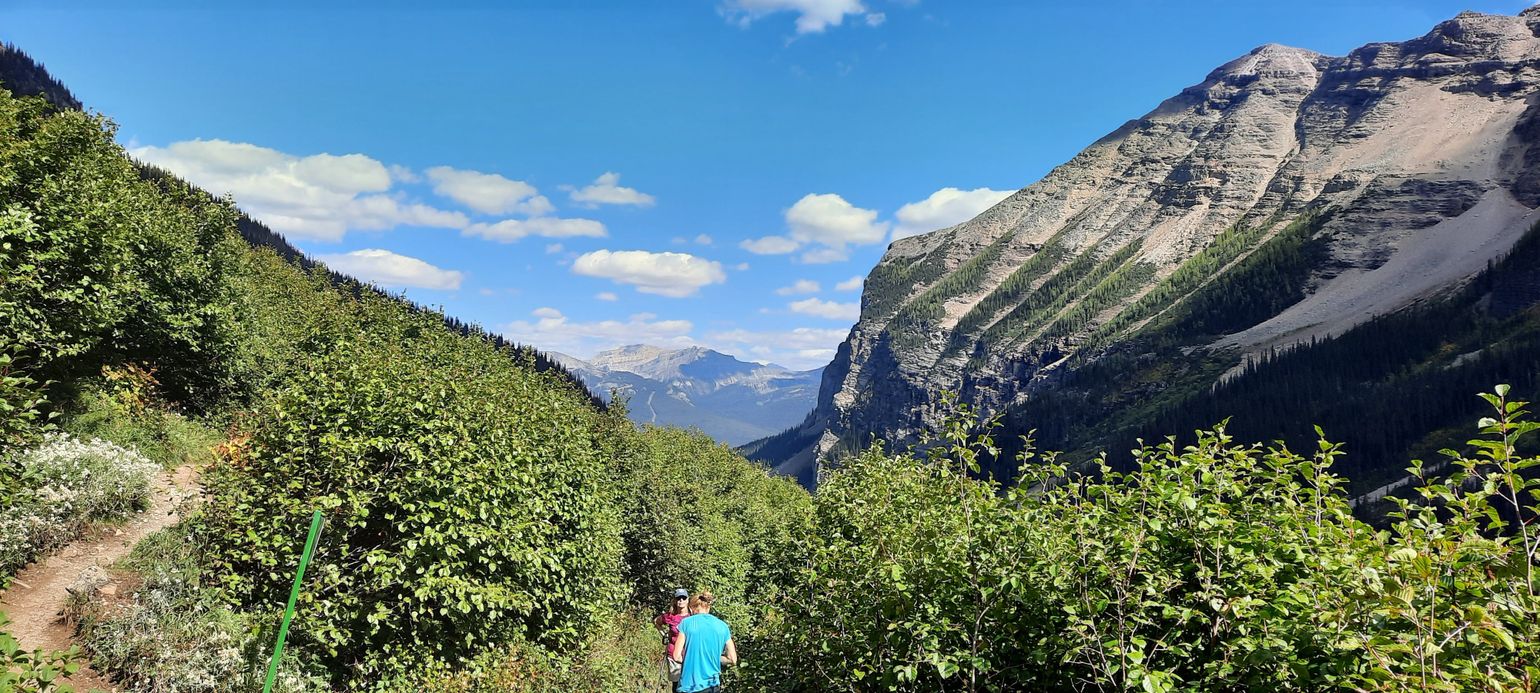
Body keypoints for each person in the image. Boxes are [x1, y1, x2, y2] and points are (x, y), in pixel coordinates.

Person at [671, 591, 737, 693]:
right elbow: (733, 659)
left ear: (691, 608)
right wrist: (713, 658)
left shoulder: (686, 623)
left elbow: (676, 656)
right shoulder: (723, 626)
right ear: (708, 607)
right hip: (712, 686)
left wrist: (691, 659)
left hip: (688, 686)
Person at [654, 588, 690, 687]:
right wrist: (664, 634)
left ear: (687, 600)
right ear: (675, 600)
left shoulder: (693, 616)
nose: (681, 600)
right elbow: (657, 621)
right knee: (677, 685)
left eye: (683, 598)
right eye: (678, 598)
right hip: (673, 654)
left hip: (690, 654)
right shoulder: (670, 616)